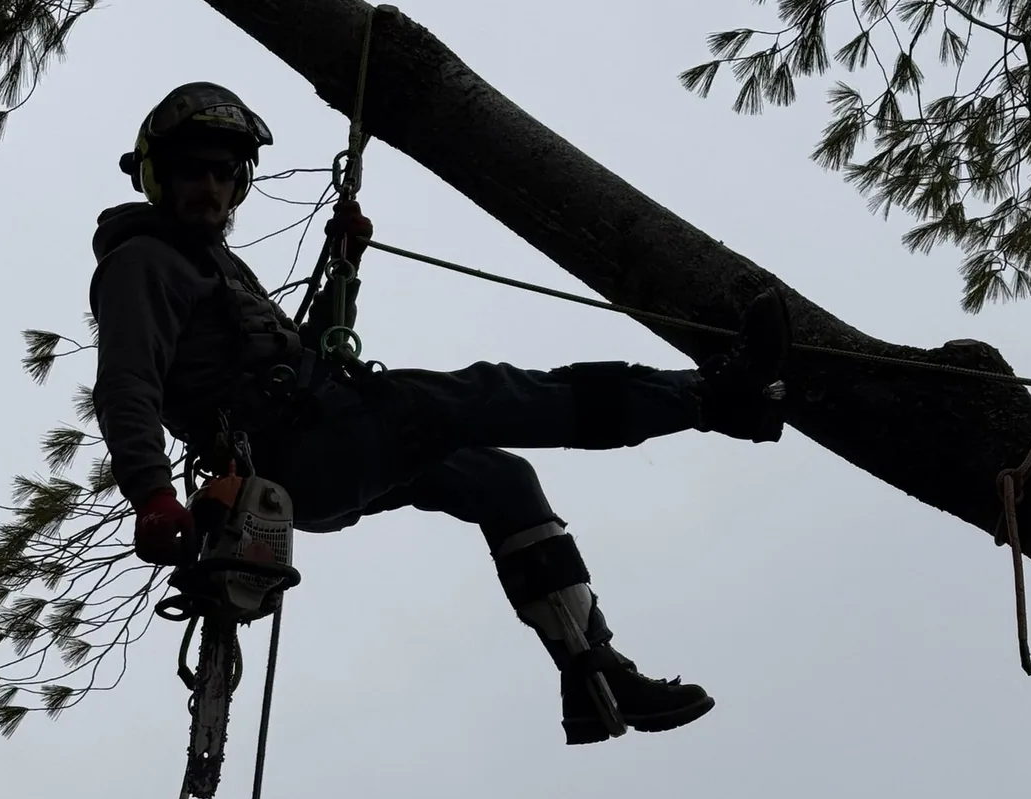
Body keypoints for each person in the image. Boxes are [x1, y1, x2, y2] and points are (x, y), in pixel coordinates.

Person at [90, 83, 788, 746]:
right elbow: (128, 384)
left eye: (223, 173)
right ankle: (710, 399)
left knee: (499, 480)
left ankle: (593, 672)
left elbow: (307, 349)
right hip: (303, 446)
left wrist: (346, 268)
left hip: (317, 436)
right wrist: (151, 494)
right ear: (159, 178)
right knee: (483, 395)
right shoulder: (143, 263)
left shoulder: (215, 266)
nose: (209, 188)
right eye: (192, 173)